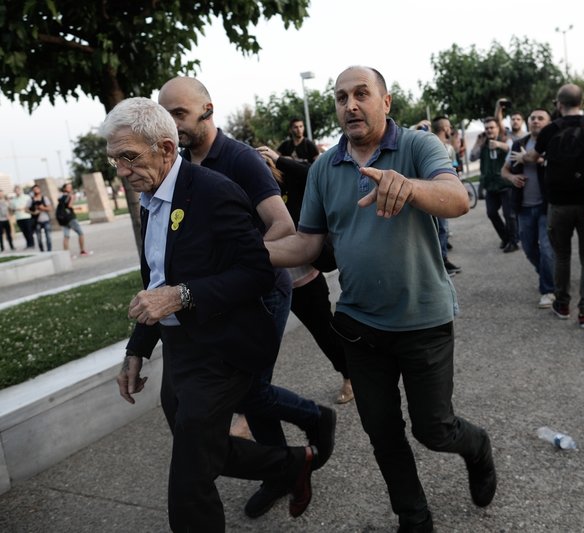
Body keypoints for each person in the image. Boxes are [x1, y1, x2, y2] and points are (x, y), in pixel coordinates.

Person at [265, 66, 496, 533]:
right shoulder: (324, 168)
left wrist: (409, 187)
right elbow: (308, 244)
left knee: (434, 430)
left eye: (361, 94)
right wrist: (248, 254)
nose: (350, 104)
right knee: (383, 434)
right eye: (340, 97)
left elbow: (457, 198)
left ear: (385, 102)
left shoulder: (417, 146)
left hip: (423, 320)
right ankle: (413, 516)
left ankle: (477, 447)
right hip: (359, 325)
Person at [102, 97, 319, 532]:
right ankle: (293, 462)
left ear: (165, 148)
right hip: (181, 350)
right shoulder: (150, 197)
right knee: (208, 452)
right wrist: (137, 349)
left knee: (188, 483)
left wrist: (182, 296)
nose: (122, 172)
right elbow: (157, 279)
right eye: (114, 161)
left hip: (224, 349)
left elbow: (258, 272)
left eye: (129, 157)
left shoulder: (213, 191)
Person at [157, 76, 336, 520]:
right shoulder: (181, 164)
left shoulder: (237, 159)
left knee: (249, 389)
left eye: (179, 114)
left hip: (261, 292)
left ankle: (305, 433)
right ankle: (289, 458)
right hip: (217, 298)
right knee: (247, 390)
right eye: (166, 115)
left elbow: (282, 227)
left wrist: (236, 264)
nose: (172, 124)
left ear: (207, 109)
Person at [256, 144, 354, 405]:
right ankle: (248, 410)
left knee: (325, 332)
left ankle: (349, 375)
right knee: (258, 346)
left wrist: (280, 159)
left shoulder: (291, 185)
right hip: (269, 283)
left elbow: (312, 173)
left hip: (304, 277)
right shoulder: (247, 195)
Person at [520, 84, 584, 328]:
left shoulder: (549, 130)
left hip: (557, 204)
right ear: (581, 101)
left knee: (562, 256)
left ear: (558, 104)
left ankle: (562, 303)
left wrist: (524, 157)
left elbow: (533, 157)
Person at [501, 108, 556, 308]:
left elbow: (559, 167)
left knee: (547, 248)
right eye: (532, 118)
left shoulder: (553, 142)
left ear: (549, 122)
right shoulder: (519, 143)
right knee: (529, 248)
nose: (535, 121)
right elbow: (504, 171)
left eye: (541, 118)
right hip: (523, 207)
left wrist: (536, 159)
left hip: (546, 206)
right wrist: (512, 177)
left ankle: (548, 290)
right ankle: (548, 276)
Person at [471, 117, 517, 252]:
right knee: (491, 213)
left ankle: (513, 241)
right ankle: (506, 238)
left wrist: (499, 145)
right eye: (487, 128)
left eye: (492, 127)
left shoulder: (505, 139)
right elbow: (472, 157)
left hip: (505, 184)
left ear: (498, 128)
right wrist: (477, 143)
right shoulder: (483, 143)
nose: (489, 130)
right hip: (490, 185)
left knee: (509, 215)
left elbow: (511, 148)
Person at [431, 115, 461, 275]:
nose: (451, 129)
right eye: (449, 127)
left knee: (443, 229)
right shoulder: (431, 145)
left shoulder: (448, 147)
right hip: (434, 194)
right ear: (444, 129)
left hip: (445, 192)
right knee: (439, 229)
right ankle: (440, 264)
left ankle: (443, 260)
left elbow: (455, 167)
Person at [58, 183, 90, 256]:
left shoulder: (61, 196)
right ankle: (82, 251)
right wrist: (73, 198)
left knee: (66, 236)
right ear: (65, 188)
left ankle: (66, 254)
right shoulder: (69, 196)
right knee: (80, 233)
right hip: (70, 218)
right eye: (69, 187)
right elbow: (69, 205)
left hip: (62, 218)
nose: (70, 188)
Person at [29, 184, 52, 252]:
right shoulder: (31, 200)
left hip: (45, 220)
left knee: (48, 237)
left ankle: (49, 251)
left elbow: (50, 208)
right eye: (34, 190)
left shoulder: (44, 198)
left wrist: (43, 208)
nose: (36, 191)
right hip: (36, 221)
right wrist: (33, 212)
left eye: (37, 189)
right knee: (39, 238)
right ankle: (42, 251)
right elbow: (26, 209)